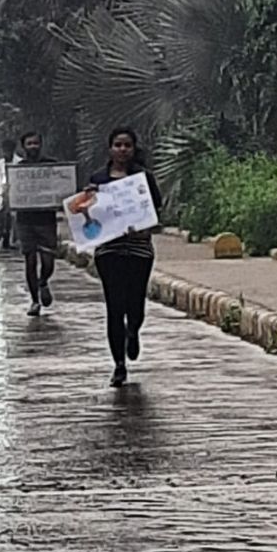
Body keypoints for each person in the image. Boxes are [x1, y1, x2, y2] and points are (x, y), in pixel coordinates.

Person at [87, 128, 162, 387]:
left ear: (133, 148)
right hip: (109, 251)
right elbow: (87, 216)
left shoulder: (144, 178)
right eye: (117, 145)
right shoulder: (97, 179)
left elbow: (155, 212)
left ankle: (133, 331)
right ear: (110, 149)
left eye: (127, 145)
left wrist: (143, 227)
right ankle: (119, 364)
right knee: (115, 306)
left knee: (136, 303)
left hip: (139, 250)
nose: (122, 149)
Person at [15, 131, 59, 317]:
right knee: (30, 261)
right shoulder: (18, 169)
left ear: (41, 145)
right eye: (29, 143)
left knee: (48, 261)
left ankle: (43, 282)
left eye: (35, 143)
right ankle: (34, 301)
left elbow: (62, 187)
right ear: (23, 146)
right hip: (25, 221)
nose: (33, 146)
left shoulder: (52, 166)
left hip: (46, 220)